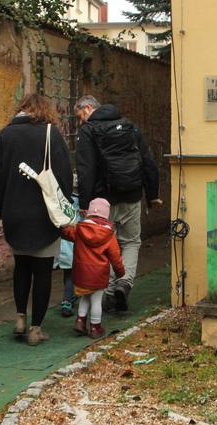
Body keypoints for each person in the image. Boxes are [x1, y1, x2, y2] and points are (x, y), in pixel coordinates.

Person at [0, 94, 73, 346]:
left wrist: (4, 209)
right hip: (44, 215)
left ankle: (19, 318)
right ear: (44, 110)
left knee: (21, 267)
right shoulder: (51, 134)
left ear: (21, 109)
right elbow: (65, 178)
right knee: (43, 272)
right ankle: (36, 329)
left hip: (14, 214)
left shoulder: (5, 136)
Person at [74, 95, 161, 312]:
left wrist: (84, 202)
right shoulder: (130, 126)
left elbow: (86, 169)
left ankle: (111, 292)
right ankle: (124, 283)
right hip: (132, 194)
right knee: (131, 242)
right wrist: (152, 194)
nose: (81, 121)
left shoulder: (88, 131)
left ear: (87, 108)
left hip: (103, 200)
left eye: (80, 115)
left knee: (105, 244)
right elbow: (147, 162)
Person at [62, 198, 125, 338]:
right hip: (98, 275)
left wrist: (63, 224)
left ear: (89, 213)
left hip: (81, 273)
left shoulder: (79, 229)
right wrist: (120, 272)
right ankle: (95, 327)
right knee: (96, 300)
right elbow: (115, 257)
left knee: (84, 297)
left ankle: (80, 321)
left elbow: (67, 233)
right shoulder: (109, 235)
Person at [55, 193, 79, 317]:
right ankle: (69, 299)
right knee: (71, 268)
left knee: (68, 266)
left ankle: (67, 299)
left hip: (63, 205)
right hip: (79, 207)